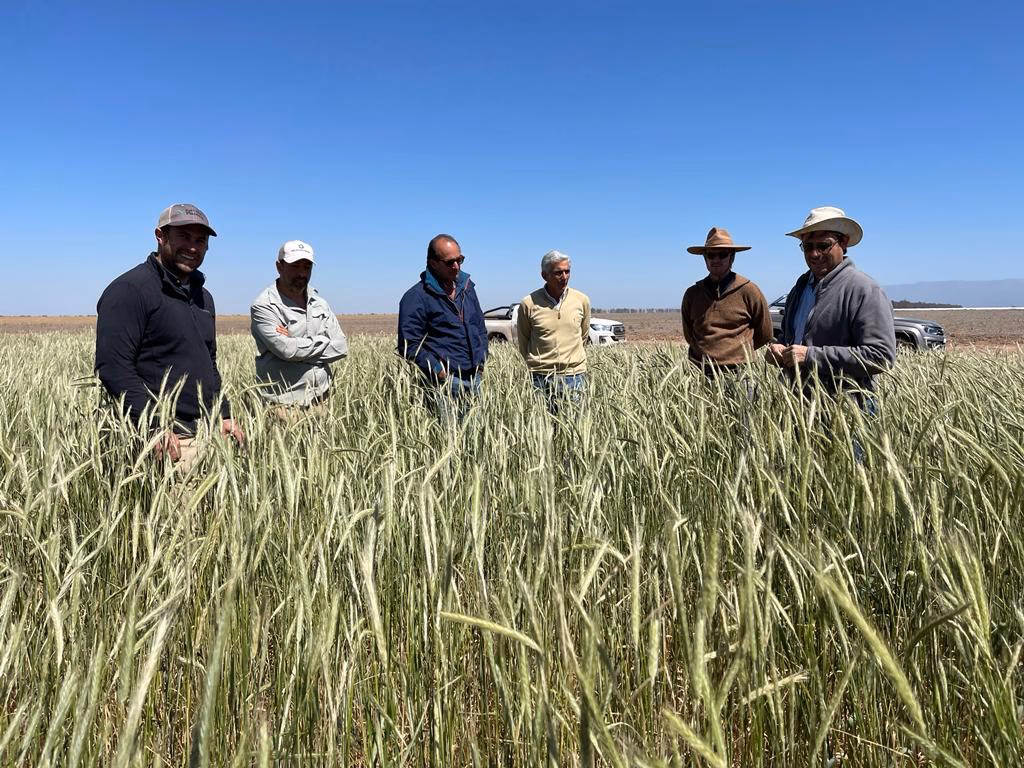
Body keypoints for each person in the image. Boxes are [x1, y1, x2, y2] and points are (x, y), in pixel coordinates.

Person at [95, 203, 245, 470]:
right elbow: (114, 368)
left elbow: (208, 363)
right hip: (168, 443)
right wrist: (155, 427)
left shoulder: (203, 297)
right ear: (160, 236)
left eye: (200, 240)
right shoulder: (130, 290)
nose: (192, 247)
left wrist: (223, 414)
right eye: (184, 237)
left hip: (209, 435)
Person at [765, 206, 897, 397]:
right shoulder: (799, 289)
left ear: (844, 242)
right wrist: (779, 350)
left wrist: (810, 356)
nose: (814, 254)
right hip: (797, 406)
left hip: (847, 410)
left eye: (823, 245)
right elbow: (790, 339)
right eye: (808, 247)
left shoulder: (864, 290)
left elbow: (880, 357)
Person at [397, 234, 488, 423]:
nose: (456, 266)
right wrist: (438, 370)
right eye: (450, 262)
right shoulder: (416, 297)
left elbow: (479, 327)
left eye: (460, 260)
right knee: (449, 441)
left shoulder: (467, 289)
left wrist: (481, 361)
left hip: (475, 380)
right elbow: (409, 344)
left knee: (477, 442)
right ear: (433, 263)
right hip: (445, 384)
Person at [250, 240, 348, 414]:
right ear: (279, 267)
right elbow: (286, 350)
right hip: (285, 405)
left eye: (307, 267)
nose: (302, 273)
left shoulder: (319, 302)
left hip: (322, 399)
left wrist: (296, 344)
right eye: (295, 266)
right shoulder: (264, 306)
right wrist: (324, 341)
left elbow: (340, 347)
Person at [681, 228, 773, 377]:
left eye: (722, 254)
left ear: (731, 258)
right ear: (705, 258)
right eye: (711, 255)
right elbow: (689, 334)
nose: (716, 259)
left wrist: (738, 351)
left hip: (740, 373)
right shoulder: (692, 293)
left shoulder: (749, 290)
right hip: (700, 372)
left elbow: (765, 333)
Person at [516, 250, 591, 412]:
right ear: (545, 275)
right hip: (541, 378)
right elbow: (523, 340)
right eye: (558, 273)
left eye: (567, 271)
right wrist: (540, 365)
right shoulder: (528, 303)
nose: (564, 277)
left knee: (575, 429)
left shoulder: (581, 300)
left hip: (574, 377)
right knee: (543, 429)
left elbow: (583, 335)